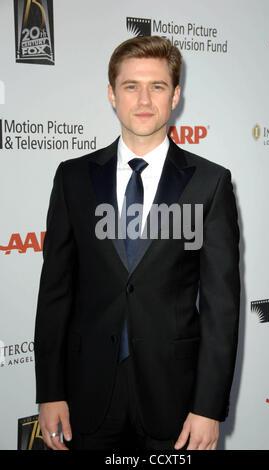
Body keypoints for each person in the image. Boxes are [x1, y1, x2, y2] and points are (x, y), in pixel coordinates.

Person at [34, 35, 240, 451]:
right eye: (131, 86)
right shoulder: (73, 178)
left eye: (158, 86)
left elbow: (222, 306)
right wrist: (49, 390)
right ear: (112, 94)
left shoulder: (210, 182)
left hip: (176, 401)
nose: (144, 99)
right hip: (85, 394)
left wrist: (208, 407)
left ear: (176, 95)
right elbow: (55, 291)